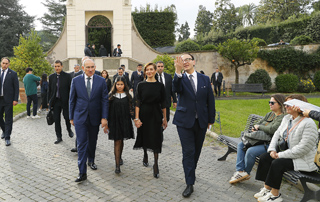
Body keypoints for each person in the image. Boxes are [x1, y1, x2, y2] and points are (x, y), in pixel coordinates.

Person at [254, 94, 318, 202]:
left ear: (299, 106)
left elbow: (302, 149)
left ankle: (275, 195)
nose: (285, 106)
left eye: (289, 104)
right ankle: (267, 188)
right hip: (290, 154)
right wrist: (272, 150)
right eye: (285, 104)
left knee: (278, 163)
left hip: (304, 159)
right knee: (265, 157)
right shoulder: (287, 118)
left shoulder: (308, 123)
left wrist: (279, 155)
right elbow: (276, 134)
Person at [172, 53, 215, 197]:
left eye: (187, 60)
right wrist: (177, 72)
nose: (185, 62)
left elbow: (210, 100)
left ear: (194, 62)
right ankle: (189, 183)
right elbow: (176, 89)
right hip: (184, 121)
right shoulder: (179, 78)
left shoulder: (204, 79)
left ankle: (191, 172)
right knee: (188, 151)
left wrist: (211, 119)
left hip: (201, 121)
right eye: (182, 60)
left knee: (196, 151)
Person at [229, 94, 286, 184]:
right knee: (241, 144)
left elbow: (272, 129)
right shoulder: (270, 114)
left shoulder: (282, 117)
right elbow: (259, 123)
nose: (270, 104)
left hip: (269, 143)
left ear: (280, 104)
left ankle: (246, 173)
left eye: (272, 102)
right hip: (259, 140)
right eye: (269, 102)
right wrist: (258, 127)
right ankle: (240, 171)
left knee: (251, 151)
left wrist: (259, 127)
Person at [69, 58, 109, 182]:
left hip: (95, 117)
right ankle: (82, 172)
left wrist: (104, 117)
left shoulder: (101, 81)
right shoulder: (75, 81)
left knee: (92, 141)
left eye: (92, 67)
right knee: (81, 143)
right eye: (88, 67)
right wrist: (71, 117)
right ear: (83, 68)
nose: (90, 69)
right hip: (80, 116)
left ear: (95, 67)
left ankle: (91, 160)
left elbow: (104, 100)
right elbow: (72, 100)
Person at [133, 62, 167, 179]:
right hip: (144, 114)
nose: (149, 72)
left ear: (155, 70)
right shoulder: (141, 85)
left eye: (151, 69)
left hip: (156, 114)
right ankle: (145, 153)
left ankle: (156, 164)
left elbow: (163, 103)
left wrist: (165, 118)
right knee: (145, 135)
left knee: (157, 138)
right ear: (145, 72)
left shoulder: (160, 86)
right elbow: (137, 102)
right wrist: (136, 118)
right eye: (147, 70)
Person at [108, 76, 134, 174]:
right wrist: (106, 123)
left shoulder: (128, 96)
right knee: (117, 141)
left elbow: (131, 109)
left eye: (121, 84)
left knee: (121, 140)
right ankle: (117, 165)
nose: (119, 86)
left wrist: (135, 119)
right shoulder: (111, 96)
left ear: (125, 85)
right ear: (115, 85)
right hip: (114, 121)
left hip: (125, 121)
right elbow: (107, 110)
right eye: (118, 84)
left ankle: (120, 157)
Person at [48, 60, 74, 144]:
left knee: (67, 117)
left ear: (62, 66)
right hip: (55, 102)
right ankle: (59, 136)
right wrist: (49, 101)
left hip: (65, 101)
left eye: (58, 66)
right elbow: (50, 90)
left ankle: (69, 129)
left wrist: (71, 100)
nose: (57, 68)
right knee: (56, 119)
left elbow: (71, 89)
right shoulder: (51, 77)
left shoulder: (67, 76)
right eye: (55, 66)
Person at [0, 57, 19, 146]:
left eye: (6, 63)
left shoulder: (13, 74)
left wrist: (15, 99)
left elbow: (16, 87)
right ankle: (4, 130)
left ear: (9, 64)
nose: (4, 65)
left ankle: (7, 137)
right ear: (1, 63)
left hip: (8, 100)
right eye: (3, 63)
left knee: (8, 118)